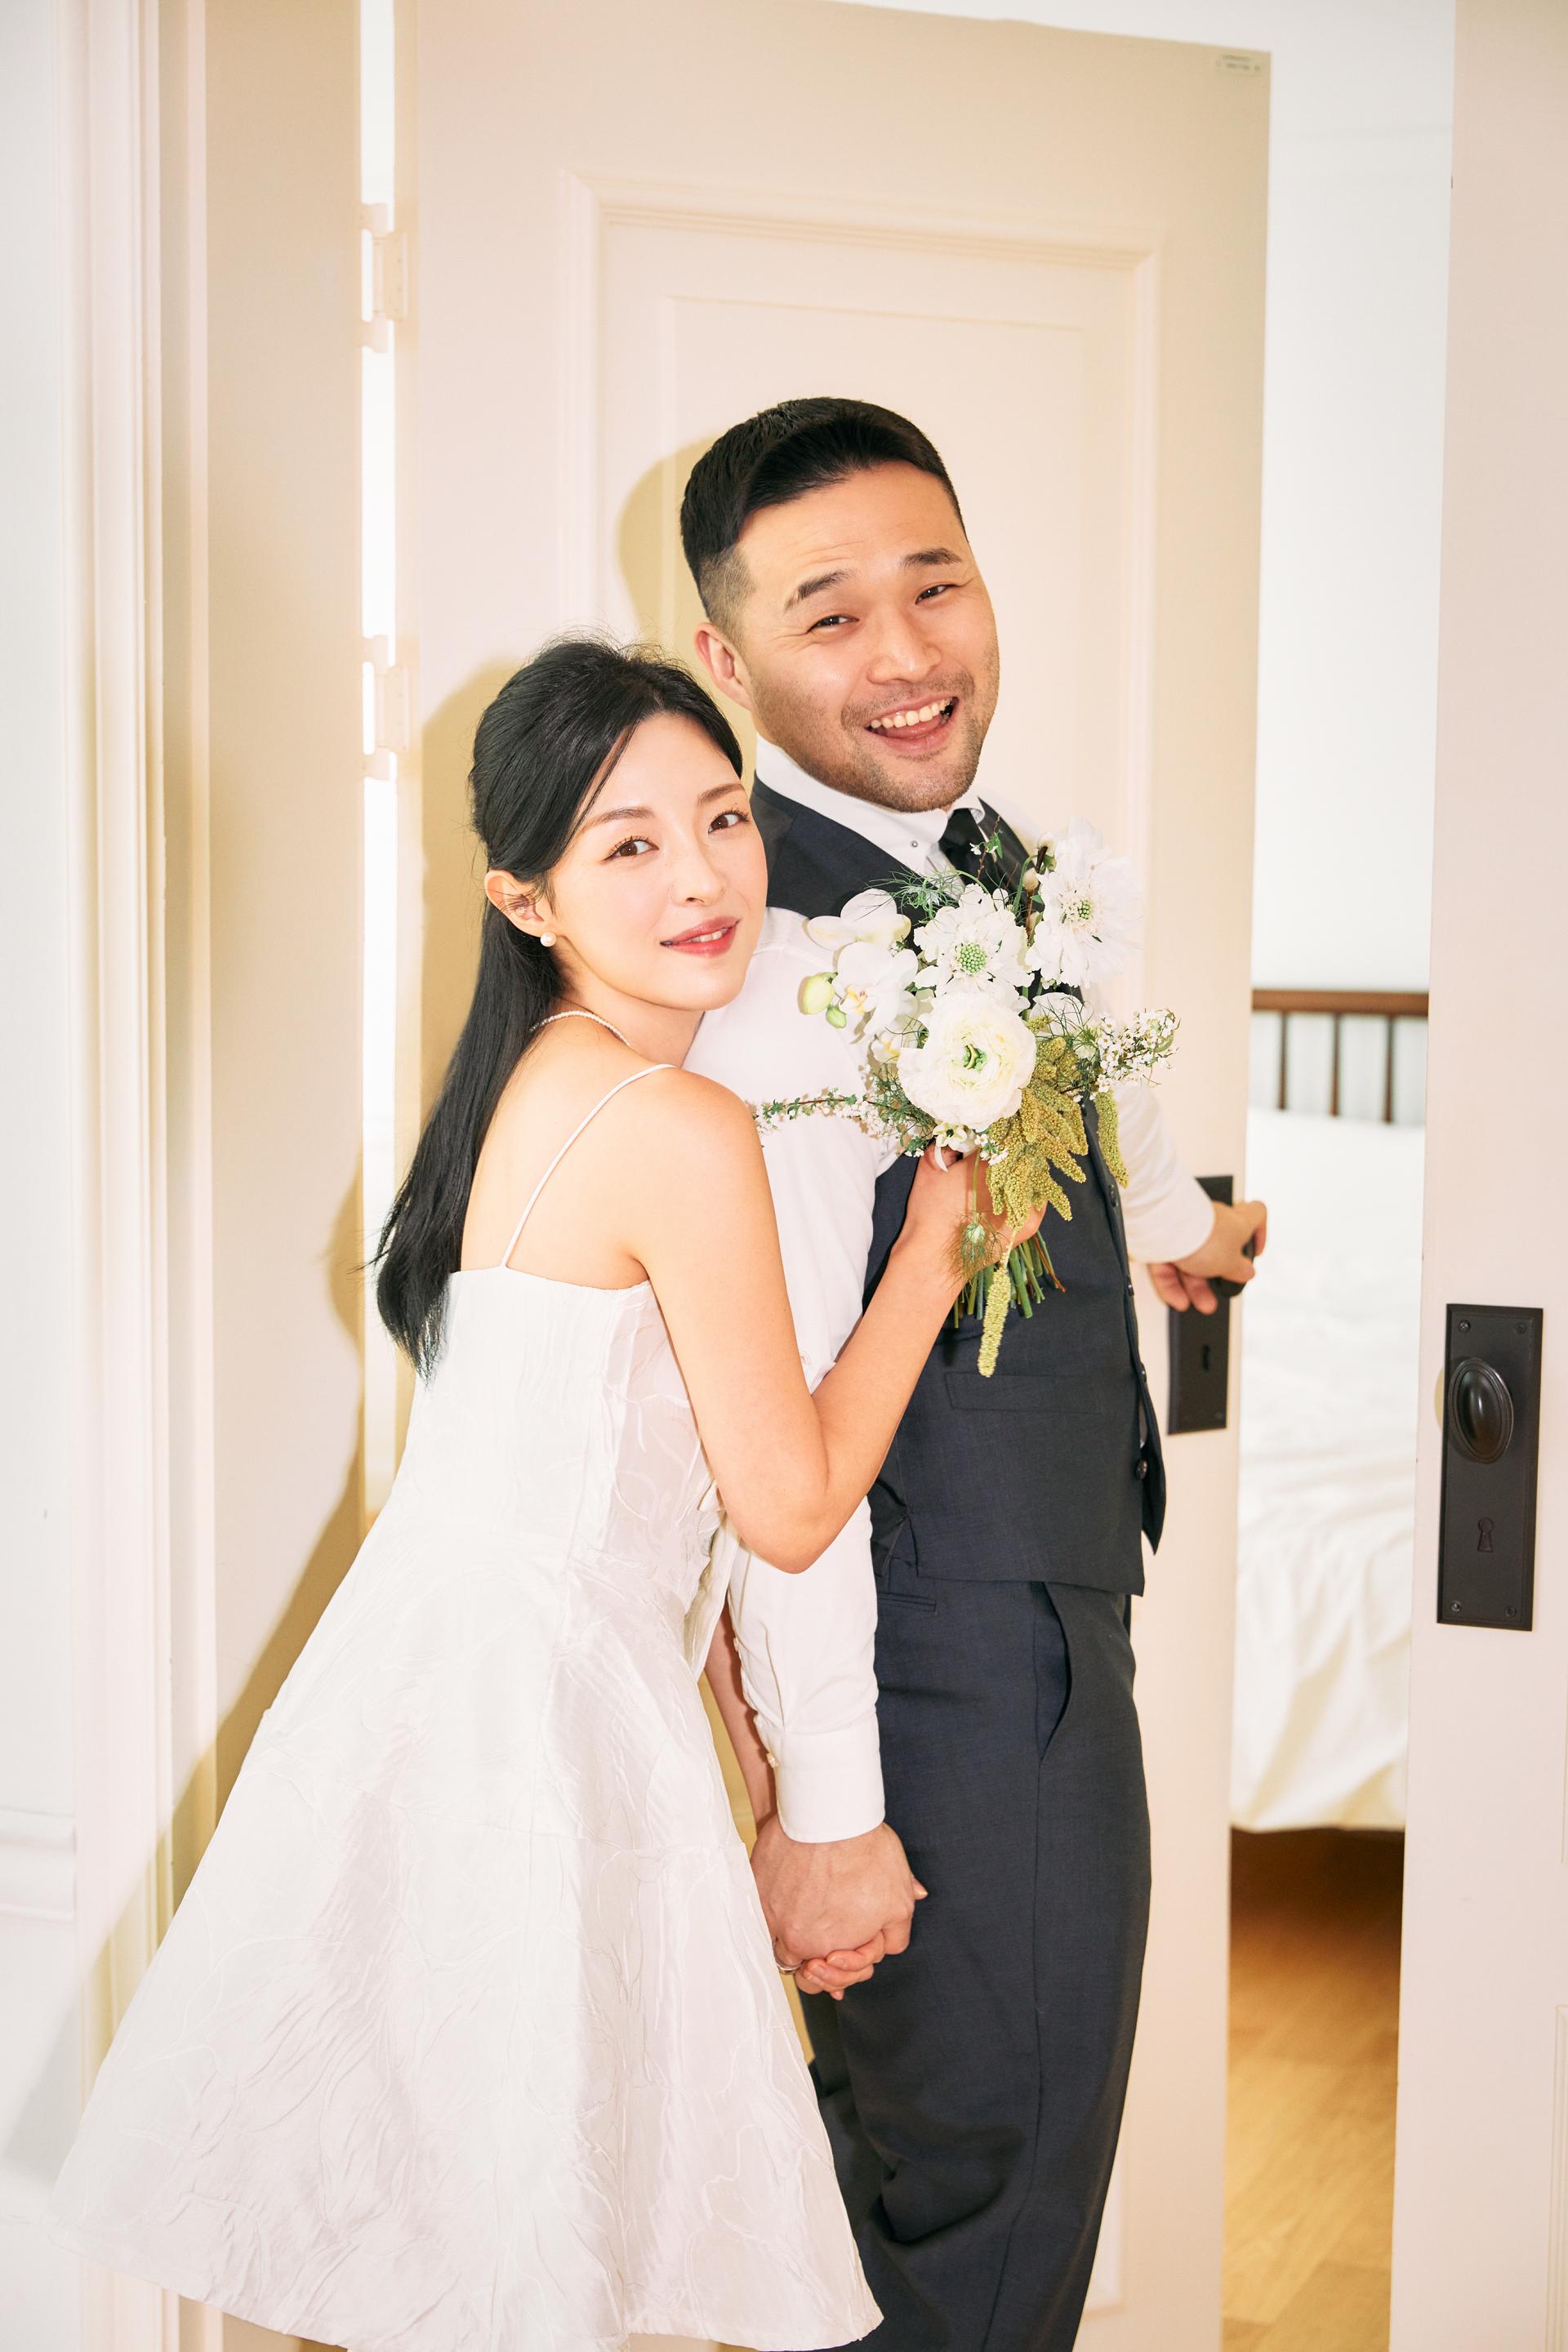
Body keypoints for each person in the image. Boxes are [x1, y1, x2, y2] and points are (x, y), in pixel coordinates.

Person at [47, 637, 1030, 2352]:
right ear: (526, 899)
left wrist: (751, 1747)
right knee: (526, 2255)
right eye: (626, 843)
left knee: (478, 2245)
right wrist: (936, 1249)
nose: (702, 877)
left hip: (458, 1691)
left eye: (721, 817)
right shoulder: (671, 1121)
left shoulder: (541, 1084)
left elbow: (658, 1494)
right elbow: (791, 1504)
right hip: (531, 1726)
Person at [682, 399, 1268, 2352]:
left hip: (1021, 1619)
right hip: (941, 1673)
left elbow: (1078, 1061)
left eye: (935, 585)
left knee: (920, 2216)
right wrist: (831, 1807)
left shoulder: (986, 864)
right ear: (728, 664)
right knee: (988, 2220)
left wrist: (1172, 1223)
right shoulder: (780, 969)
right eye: (829, 613)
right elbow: (769, 1434)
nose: (906, 652)